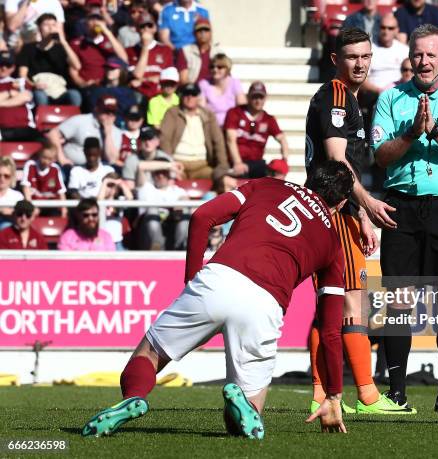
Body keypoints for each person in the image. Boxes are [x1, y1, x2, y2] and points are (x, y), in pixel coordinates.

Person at [81, 160, 353, 438]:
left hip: (219, 278)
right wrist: (333, 395)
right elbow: (331, 331)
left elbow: (202, 216)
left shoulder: (266, 185)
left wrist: (191, 280)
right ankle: (242, 403)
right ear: (342, 203)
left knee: (149, 354)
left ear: (309, 180)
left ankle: (134, 397)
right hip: (266, 304)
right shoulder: (334, 247)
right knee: (249, 415)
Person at [372, 24, 438, 412]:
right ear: (410, 57)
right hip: (401, 208)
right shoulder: (389, 99)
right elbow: (381, 157)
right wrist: (410, 134)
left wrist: (434, 131)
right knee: (399, 301)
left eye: (430, 54)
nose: (423, 61)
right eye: (418, 54)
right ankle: (397, 392)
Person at [305, 27, 399, 415]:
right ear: (335, 60)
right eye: (351, 57)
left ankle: (318, 391)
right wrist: (365, 206)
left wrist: (357, 210)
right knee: (351, 300)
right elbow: (337, 160)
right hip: (334, 207)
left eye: (365, 56)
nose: (359, 63)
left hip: (332, 206)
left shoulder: (348, 98)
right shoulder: (338, 96)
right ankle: (367, 394)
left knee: (329, 302)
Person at [160, 83, 228, 179]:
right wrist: (170, 164)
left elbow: (218, 141)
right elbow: (164, 139)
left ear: (198, 97)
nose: (190, 97)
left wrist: (222, 166)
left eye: (193, 94)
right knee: (169, 180)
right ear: (181, 96)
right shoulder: (172, 113)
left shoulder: (208, 115)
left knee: (223, 180)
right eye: (186, 94)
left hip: (202, 165)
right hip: (178, 164)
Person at [224, 81, 289, 179]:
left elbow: (282, 139)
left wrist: (284, 161)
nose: (258, 101)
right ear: (248, 97)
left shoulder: (268, 119)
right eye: (255, 97)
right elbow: (230, 140)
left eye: (261, 97)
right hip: (234, 161)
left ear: (265, 98)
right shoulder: (235, 113)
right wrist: (238, 162)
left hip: (256, 163)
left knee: (274, 173)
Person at [16, 13, 82, 107]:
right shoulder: (28, 48)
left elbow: (77, 66)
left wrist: (63, 42)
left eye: (53, 25)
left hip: (59, 90)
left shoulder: (61, 48)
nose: (51, 28)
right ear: (39, 28)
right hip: (39, 89)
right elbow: (22, 74)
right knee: (40, 96)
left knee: (74, 95)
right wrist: (33, 85)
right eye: (46, 25)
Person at [48, 94, 123, 166]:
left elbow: (112, 159)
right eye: (106, 111)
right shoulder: (81, 120)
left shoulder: (116, 132)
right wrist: (61, 158)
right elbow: (52, 133)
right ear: (96, 109)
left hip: (98, 169)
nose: (110, 115)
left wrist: (108, 133)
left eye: (113, 112)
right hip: (72, 166)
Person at [69, 5, 128, 90]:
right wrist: (83, 84)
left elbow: (123, 59)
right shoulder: (77, 43)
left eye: (99, 19)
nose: (95, 23)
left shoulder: (110, 41)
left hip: (108, 85)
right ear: (86, 22)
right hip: (88, 86)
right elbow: (73, 69)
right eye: (92, 20)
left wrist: (106, 31)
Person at [136, 160, 189, 250]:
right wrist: (169, 165)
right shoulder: (146, 188)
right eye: (157, 173)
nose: (160, 176)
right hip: (148, 234)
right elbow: (141, 166)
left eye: (164, 173)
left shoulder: (177, 191)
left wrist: (181, 203)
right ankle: (157, 248)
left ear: (169, 175)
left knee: (185, 211)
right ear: (152, 175)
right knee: (152, 210)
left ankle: (180, 249)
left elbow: (186, 199)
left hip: (172, 229)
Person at [126, 12, 174, 101]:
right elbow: (137, 75)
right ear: (137, 29)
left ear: (155, 28)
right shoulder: (130, 51)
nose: (146, 29)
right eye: (142, 26)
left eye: (149, 26)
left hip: (159, 93)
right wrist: (145, 46)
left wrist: (144, 80)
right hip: (139, 94)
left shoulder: (165, 49)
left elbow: (168, 77)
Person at [0, 51, 41, 143]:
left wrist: (2, 102)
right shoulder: (15, 87)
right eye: (1, 64)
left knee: (47, 140)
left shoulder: (20, 82)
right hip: (1, 130)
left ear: (13, 67)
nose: (3, 68)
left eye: (8, 65)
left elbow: (26, 97)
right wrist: (10, 93)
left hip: (23, 127)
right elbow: (20, 98)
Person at [122, 126, 180, 191]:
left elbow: (170, 186)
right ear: (139, 141)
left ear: (158, 141)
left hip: (162, 196)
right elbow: (130, 188)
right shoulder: (131, 161)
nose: (148, 143)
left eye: (151, 139)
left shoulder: (166, 159)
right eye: (144, 139)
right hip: (140, 197)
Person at [20, 140, 67, 217]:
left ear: (54, 159)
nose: (46, 161)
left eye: (50, 159)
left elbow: (61, 191)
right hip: (34, 203)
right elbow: (26, 187)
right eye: (44, 157)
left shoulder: (55, 169)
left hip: (51, 205)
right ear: (40, 154)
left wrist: (64, 209)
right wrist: (30, 207)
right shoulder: (30, 165)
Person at [199, 53, 247, 127]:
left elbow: (242, 107)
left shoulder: (234, 83)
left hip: (231, 125)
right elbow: (201, 109)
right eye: (212, 67)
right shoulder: (204, 84)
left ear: (227, 69)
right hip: (211, 125)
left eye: (219, 67)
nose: (215, 69)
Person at [177, 16, 221, 85]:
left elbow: (225, 76)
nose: (203, 33)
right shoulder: (185, 51)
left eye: (206, 30)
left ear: (211, 33)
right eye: (199, 30)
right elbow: (183, 79)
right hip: (193, 90)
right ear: (194, 34)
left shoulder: (218, 52)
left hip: (214, 90)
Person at [0, 157, 25, 230]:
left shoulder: (17, 196)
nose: (2, 179)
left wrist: (12, 213)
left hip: (8, 231)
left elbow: (23, 217)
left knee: (6, 226)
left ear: (12, 177)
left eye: (6, 176)